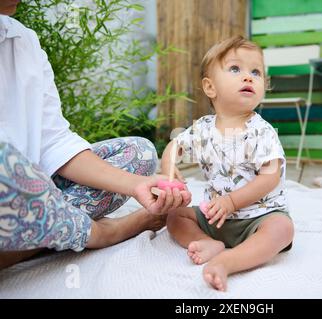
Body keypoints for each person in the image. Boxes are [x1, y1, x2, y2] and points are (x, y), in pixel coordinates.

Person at [0, 0, 191, 270]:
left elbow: (53, 142)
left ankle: (29, 241)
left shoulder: (24, 41)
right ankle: (100, 233)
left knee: (139, 154)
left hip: (32, 198)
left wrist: (136, 184)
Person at [162, 36, 294, 292]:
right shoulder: (203, 128)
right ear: (210, 88)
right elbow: (175, 145)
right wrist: (169, 168)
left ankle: (228, 262)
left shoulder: (262, 131)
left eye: (255, 72)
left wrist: (231, 202)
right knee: (176, 216)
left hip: (257, 218)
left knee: (282, 228)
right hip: (214, 217)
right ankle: (208, 243)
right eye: (235, 69)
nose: (248, 77)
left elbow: (270, 177)